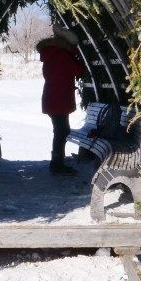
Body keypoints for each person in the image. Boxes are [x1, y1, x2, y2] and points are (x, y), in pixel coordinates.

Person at [36, 26, 85, 175]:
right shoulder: (62, 55)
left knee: (60, 130)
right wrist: (75, 56)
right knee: (62, 131)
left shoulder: (51, 54)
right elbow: (77, 70)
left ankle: (57, 162)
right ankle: (57, 164)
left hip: (53, 97)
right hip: (59, 98)